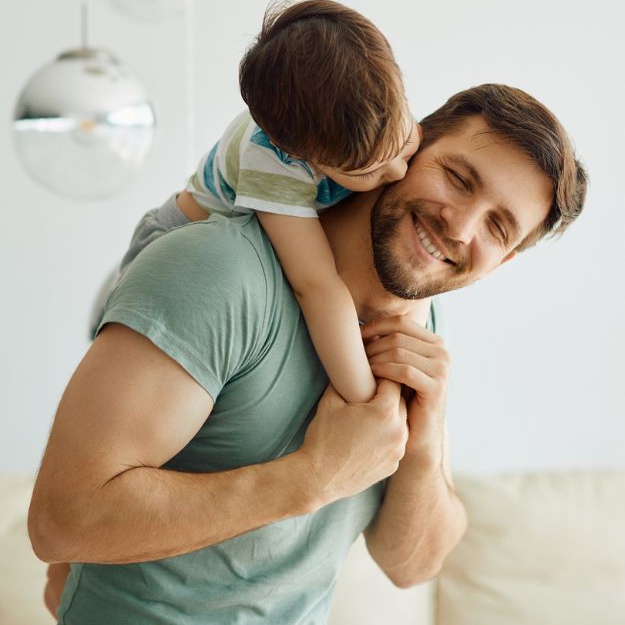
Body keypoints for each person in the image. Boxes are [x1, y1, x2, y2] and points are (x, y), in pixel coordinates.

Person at [29, 84, 587, 624]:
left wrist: (423, 438)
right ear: (410, 147)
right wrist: (313, 477)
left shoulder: (421, 326)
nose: (460, 226)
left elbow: (411, 564)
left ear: (505, 260)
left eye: (497, 226)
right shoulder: (219, 271)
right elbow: (63, 520)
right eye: (459, 179)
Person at [104, 0, 420, 405]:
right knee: (137, 384)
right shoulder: (273, 162)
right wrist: (366, 399)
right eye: (367, 173)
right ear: (306, 157)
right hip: (174, 245)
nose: (397, 172)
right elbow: (317, 286)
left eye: (406, 140)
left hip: (246, 244)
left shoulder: (376, 113)